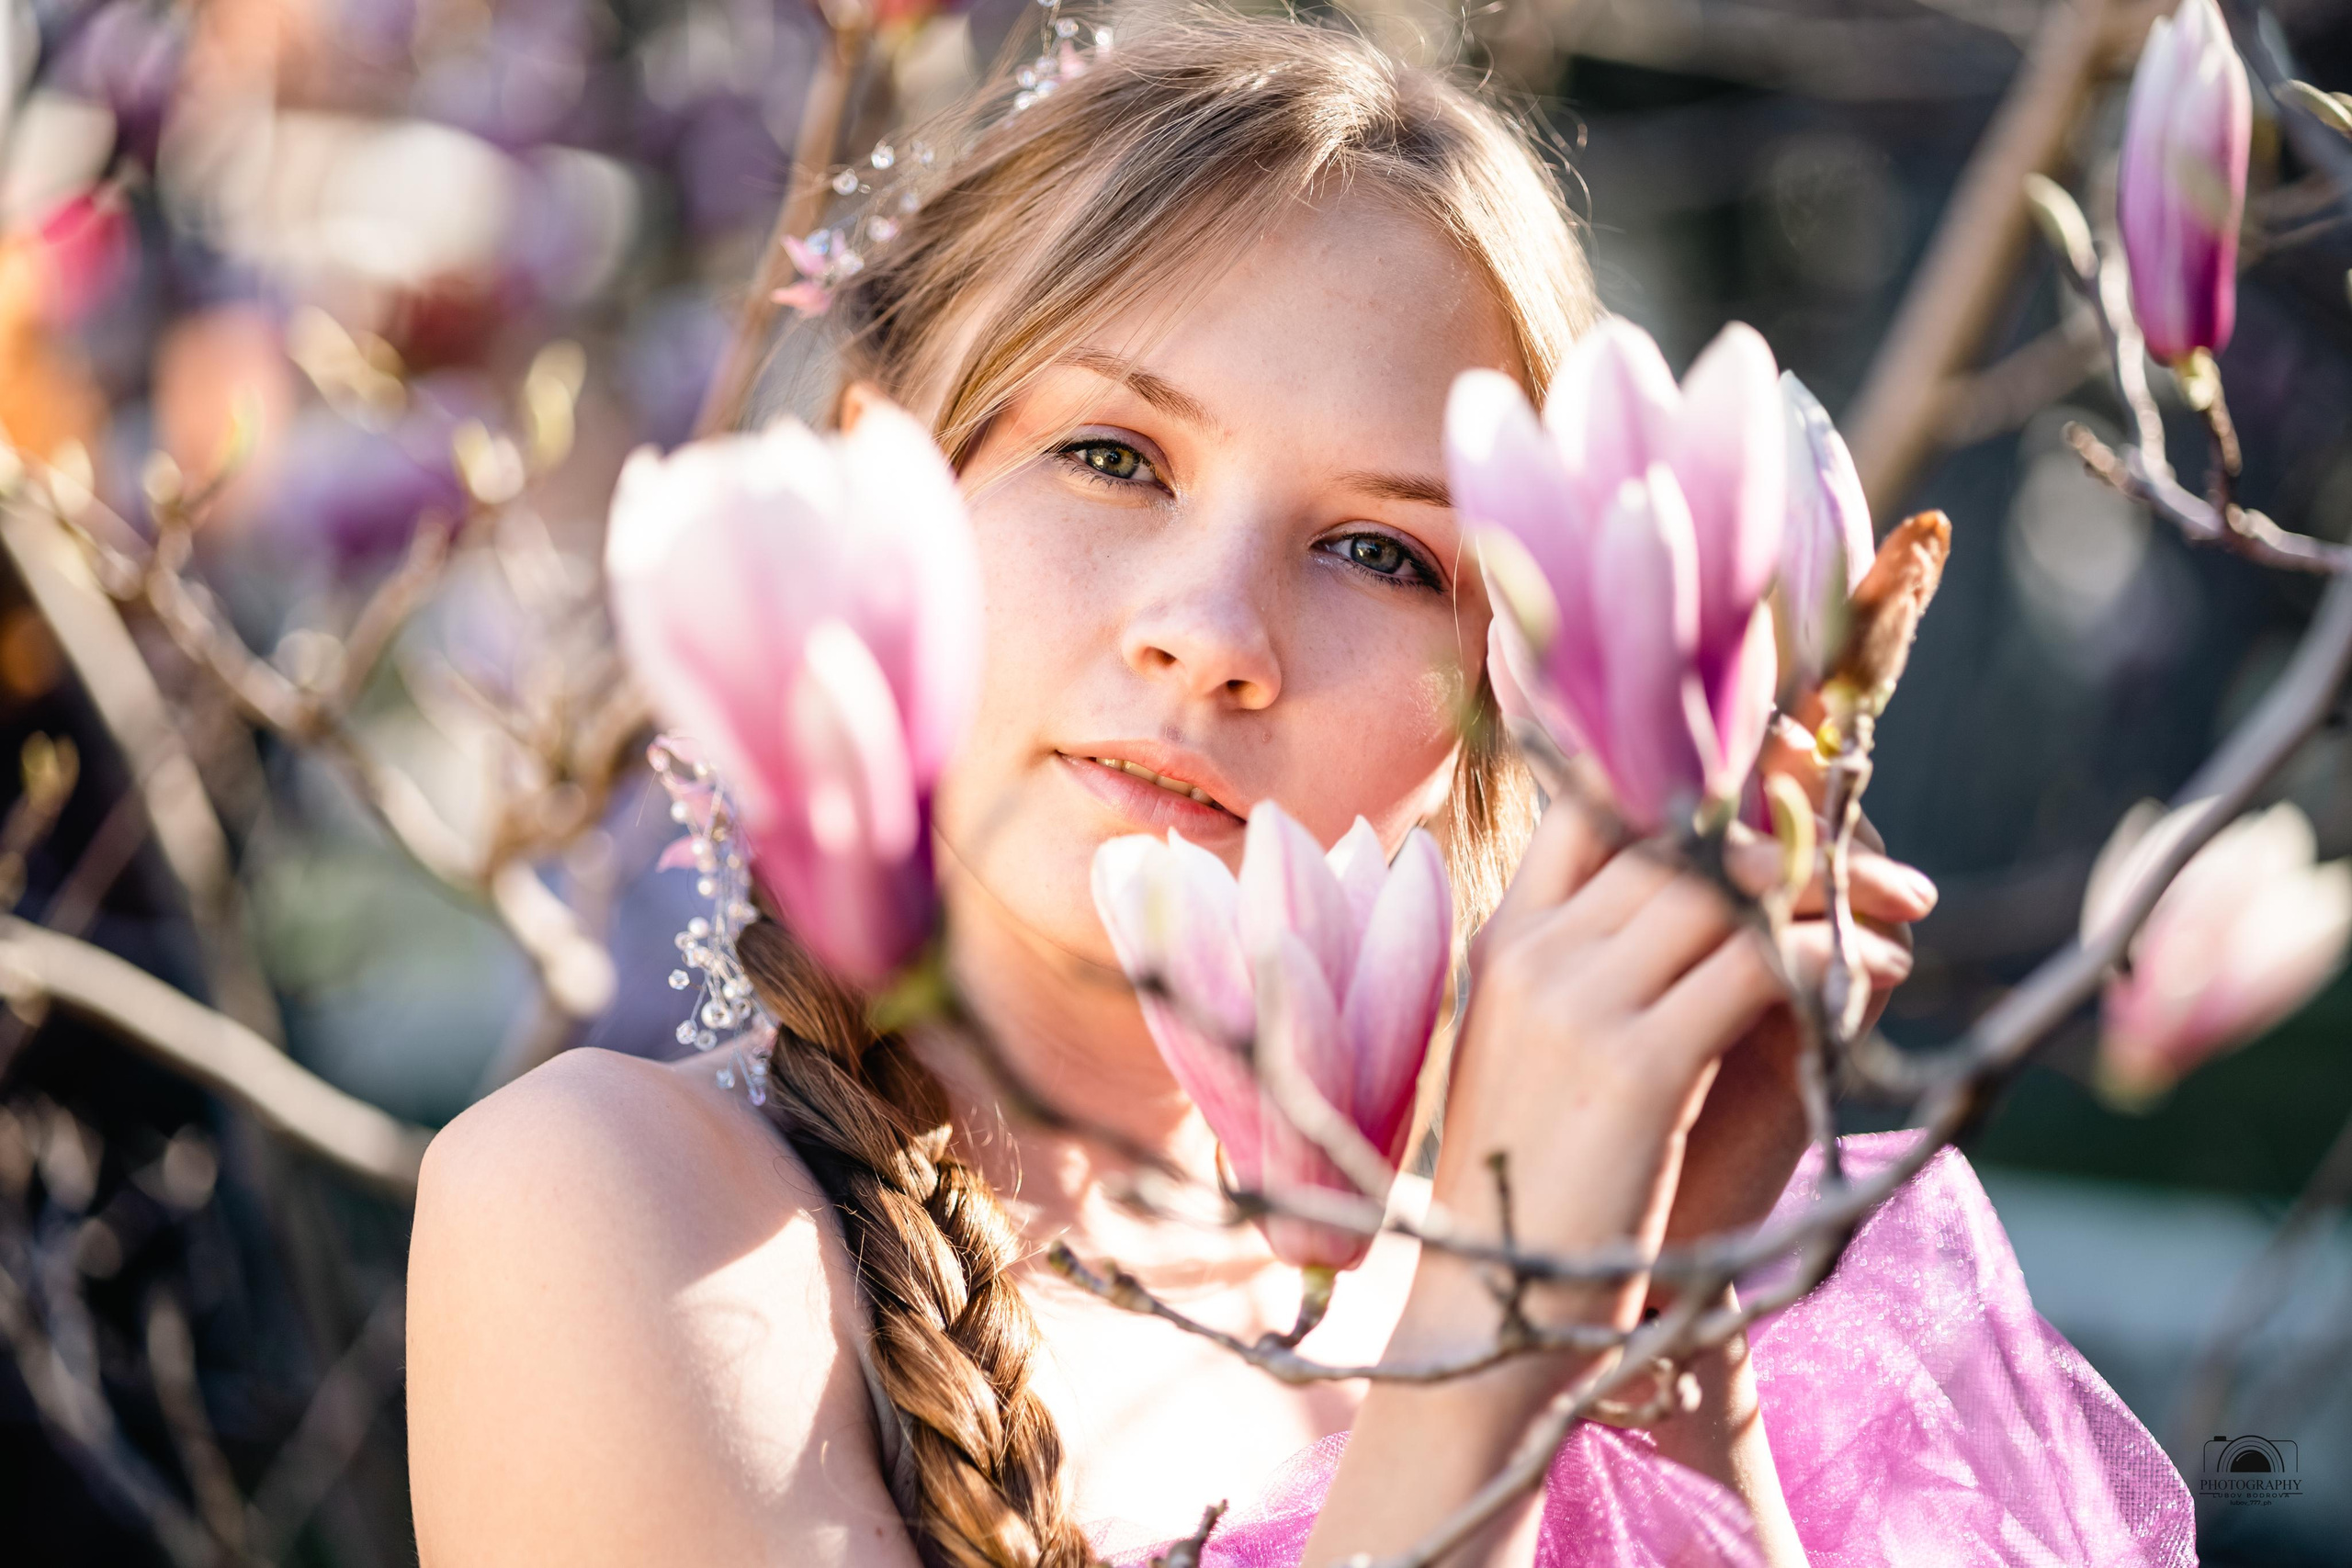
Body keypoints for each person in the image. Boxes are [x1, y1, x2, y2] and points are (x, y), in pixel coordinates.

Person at [405, 10, 2195, 1566]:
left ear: (1510, 701)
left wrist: (1668, 1354)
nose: (1209, 633)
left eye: (1379, 551)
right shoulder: (618, 1219)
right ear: (881, 497)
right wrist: (1506, 1315)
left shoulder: (1546, 1248)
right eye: (1110, 453)